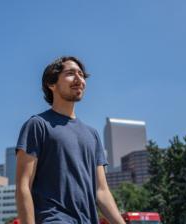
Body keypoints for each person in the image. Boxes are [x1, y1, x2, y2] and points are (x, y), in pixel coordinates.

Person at [15, 56, 125, 224]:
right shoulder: (37, 125)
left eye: (81, 74)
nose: (79, 79)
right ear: (51, 84)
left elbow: (101, 191)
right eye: (70, 73)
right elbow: (23, 186)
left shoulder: (92, 134)